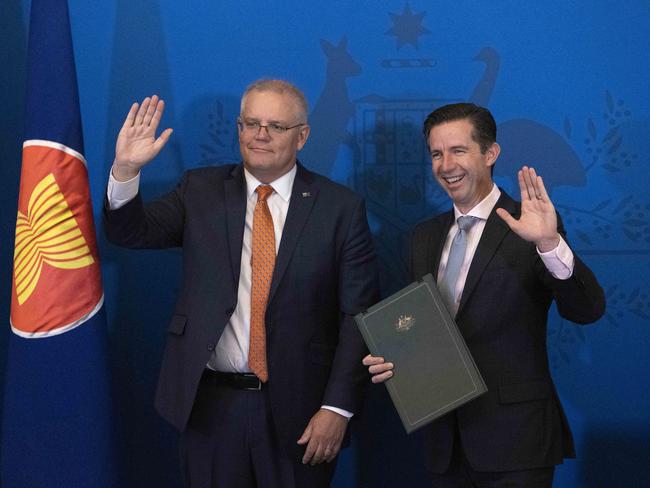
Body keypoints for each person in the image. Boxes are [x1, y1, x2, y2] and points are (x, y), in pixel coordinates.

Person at [104, 79, 379, 487]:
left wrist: (336, 408)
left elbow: (359, 315)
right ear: (238, 130)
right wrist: (126, 171)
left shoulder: (340, 208)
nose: (260, 134)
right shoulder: (200, 190)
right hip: (210, 407)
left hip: (302, 411)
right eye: (251, 123)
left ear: (302, 136)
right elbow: (132, 232)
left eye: (275, 126)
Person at [363, 103, 605, 487]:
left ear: (490, 153)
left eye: (458, 151)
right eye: (437, 154)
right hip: (444, 442)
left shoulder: (531, 225)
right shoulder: (422, 237)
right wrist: (395, 357)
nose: (446, 165)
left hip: (517, 442)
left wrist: (549, 242)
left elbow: (587, 308)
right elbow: (423, 330)